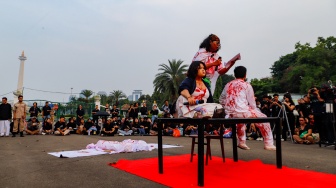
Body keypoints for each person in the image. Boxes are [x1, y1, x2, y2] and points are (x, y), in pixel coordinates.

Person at [219, 66, 276, 150]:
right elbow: (252, 103)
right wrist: (253, 110)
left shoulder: (228, 84)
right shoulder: (246, 85)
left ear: (234, 74)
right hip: (242, 111)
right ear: (245, 75)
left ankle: (241, 142)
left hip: (230, 113)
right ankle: (268, 143)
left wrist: (228, 107)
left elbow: (221, 99)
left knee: (240, 122)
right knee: (264, 120)